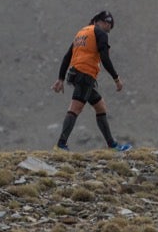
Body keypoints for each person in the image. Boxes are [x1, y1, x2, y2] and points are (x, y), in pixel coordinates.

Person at [51, 10, 131, 151]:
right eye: (108, 25)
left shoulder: (82, 33)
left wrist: (61, 78)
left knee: (100, 107)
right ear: (101, 22)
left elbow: (67, 56)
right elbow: (105, 58)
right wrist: (116, 78)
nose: (108, 29)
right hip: (85, 75)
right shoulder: (100, 34)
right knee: (75, 108)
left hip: (75, 74)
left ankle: (111, 145)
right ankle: (61, 144)